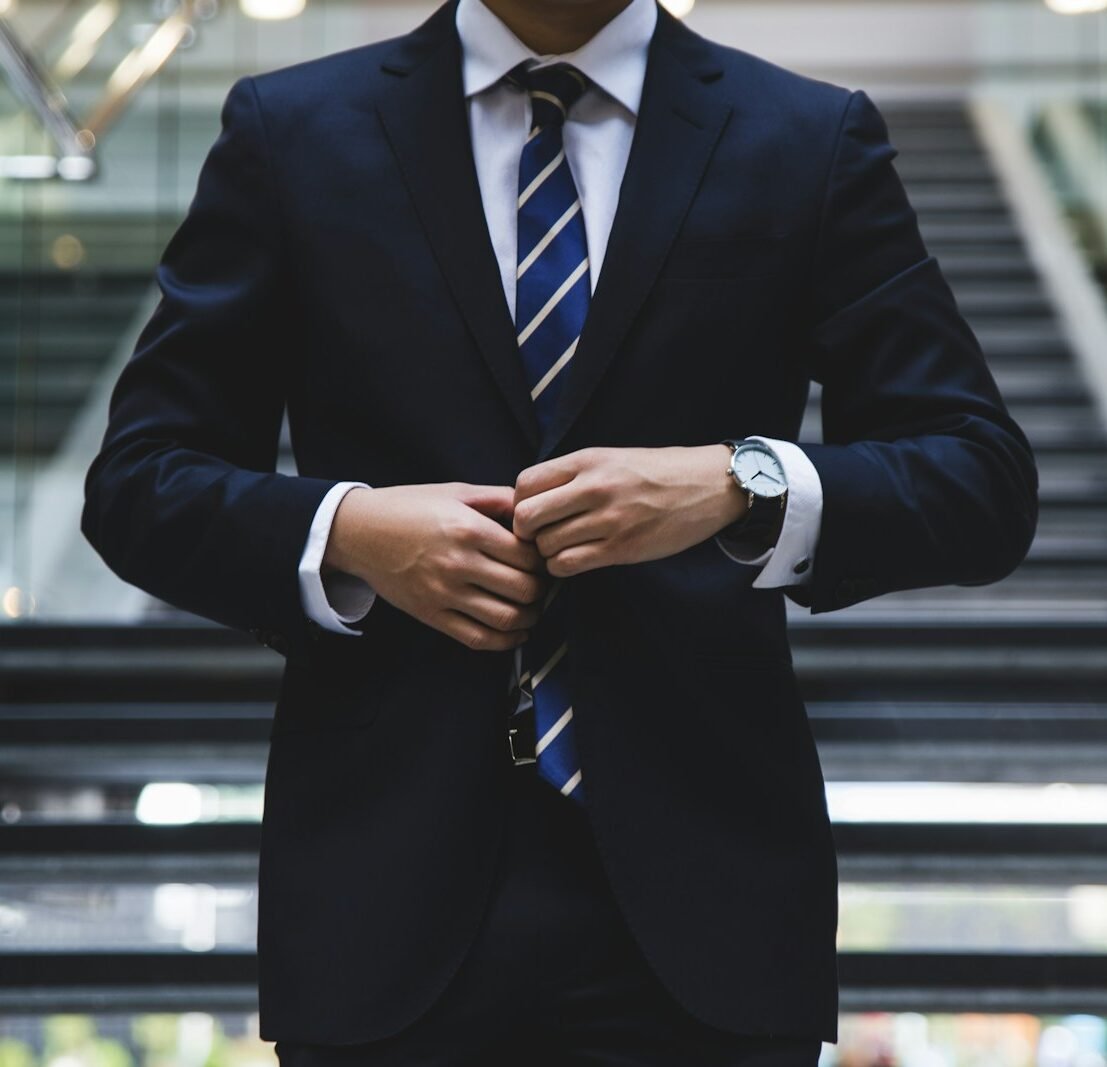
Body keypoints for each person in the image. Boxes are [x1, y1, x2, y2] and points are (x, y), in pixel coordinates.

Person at [80, 0, 1039, 1060]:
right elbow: (139, 481)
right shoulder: (293, 129)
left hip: (707, 907)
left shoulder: (806, 135)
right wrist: (347, 528)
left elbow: (978, 477)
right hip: (381, 896)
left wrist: (740, 480)